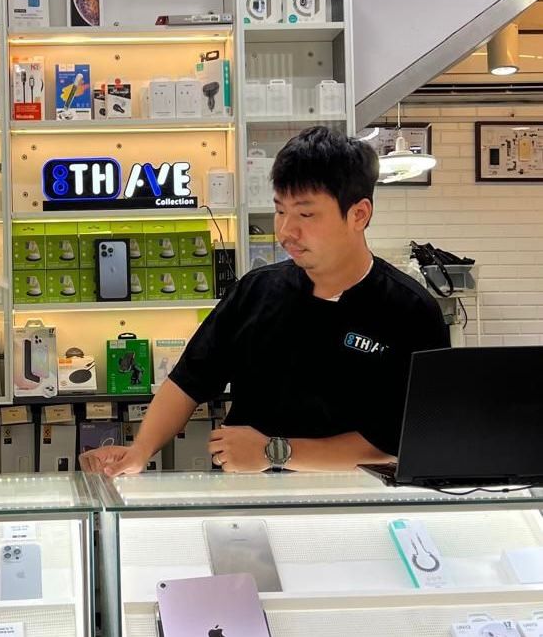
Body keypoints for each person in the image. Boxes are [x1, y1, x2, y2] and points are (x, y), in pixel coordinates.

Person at [79, 126, 450, 477]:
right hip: (248, 496)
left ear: (359, 214)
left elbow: (400, 444)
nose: (286, 230)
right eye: (280, 210)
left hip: (358, 499)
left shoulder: (410, 310)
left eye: (306, 214)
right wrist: (140, 450)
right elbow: (188, 381)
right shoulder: (256, 291)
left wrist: (275, 452)